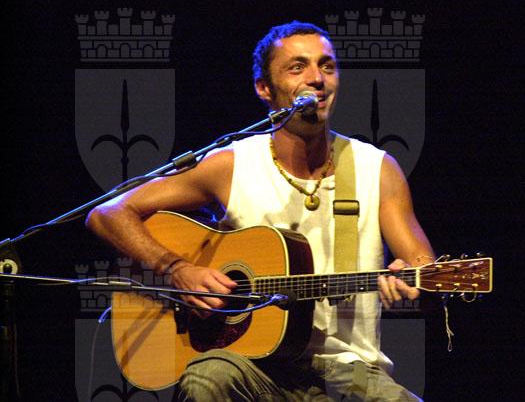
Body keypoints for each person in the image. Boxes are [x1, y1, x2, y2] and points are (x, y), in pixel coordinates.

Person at [86, 21, 434, 401]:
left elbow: (422, 262)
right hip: (250, 364)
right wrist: (177, 269)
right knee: (208, 377)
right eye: (297, 67)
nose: (317, 79)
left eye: (327, 66)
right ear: (264, 88)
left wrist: (410, 276)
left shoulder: (376, 168)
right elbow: (109, 213)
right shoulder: (231, 165)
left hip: (348, 371)